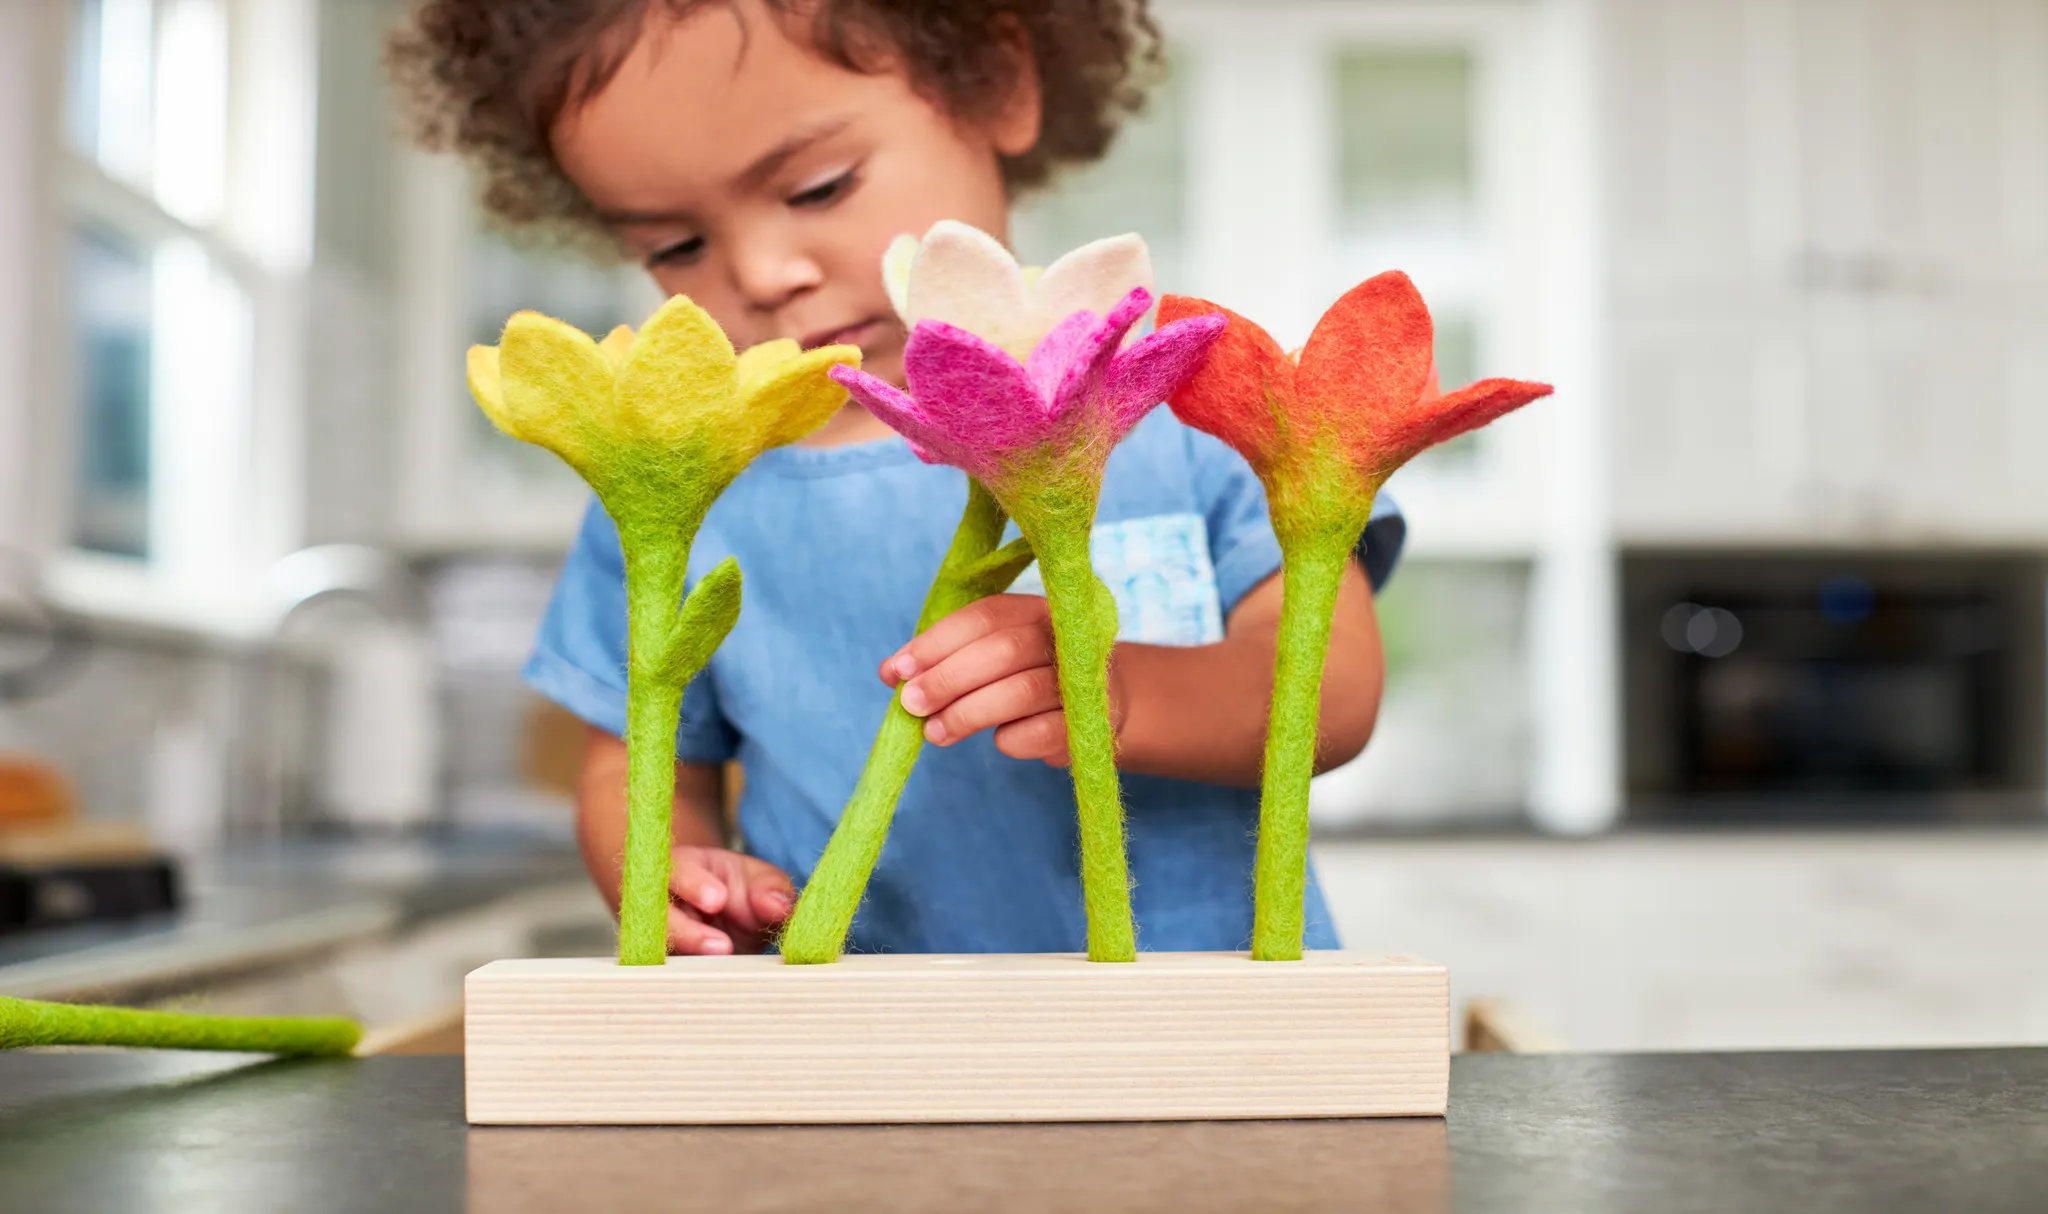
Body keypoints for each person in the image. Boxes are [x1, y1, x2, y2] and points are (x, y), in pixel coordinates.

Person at [390, 0, 1404, 955]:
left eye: (817, 187)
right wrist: (665, 872)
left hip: (1209, 1046)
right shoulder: (671, 484)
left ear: (998, 84)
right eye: (675, 244)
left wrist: (1121, 690)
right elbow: (634, 762)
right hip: (858, 1065)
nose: (760, 271)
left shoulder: (1182, 405)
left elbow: (1333, 691)